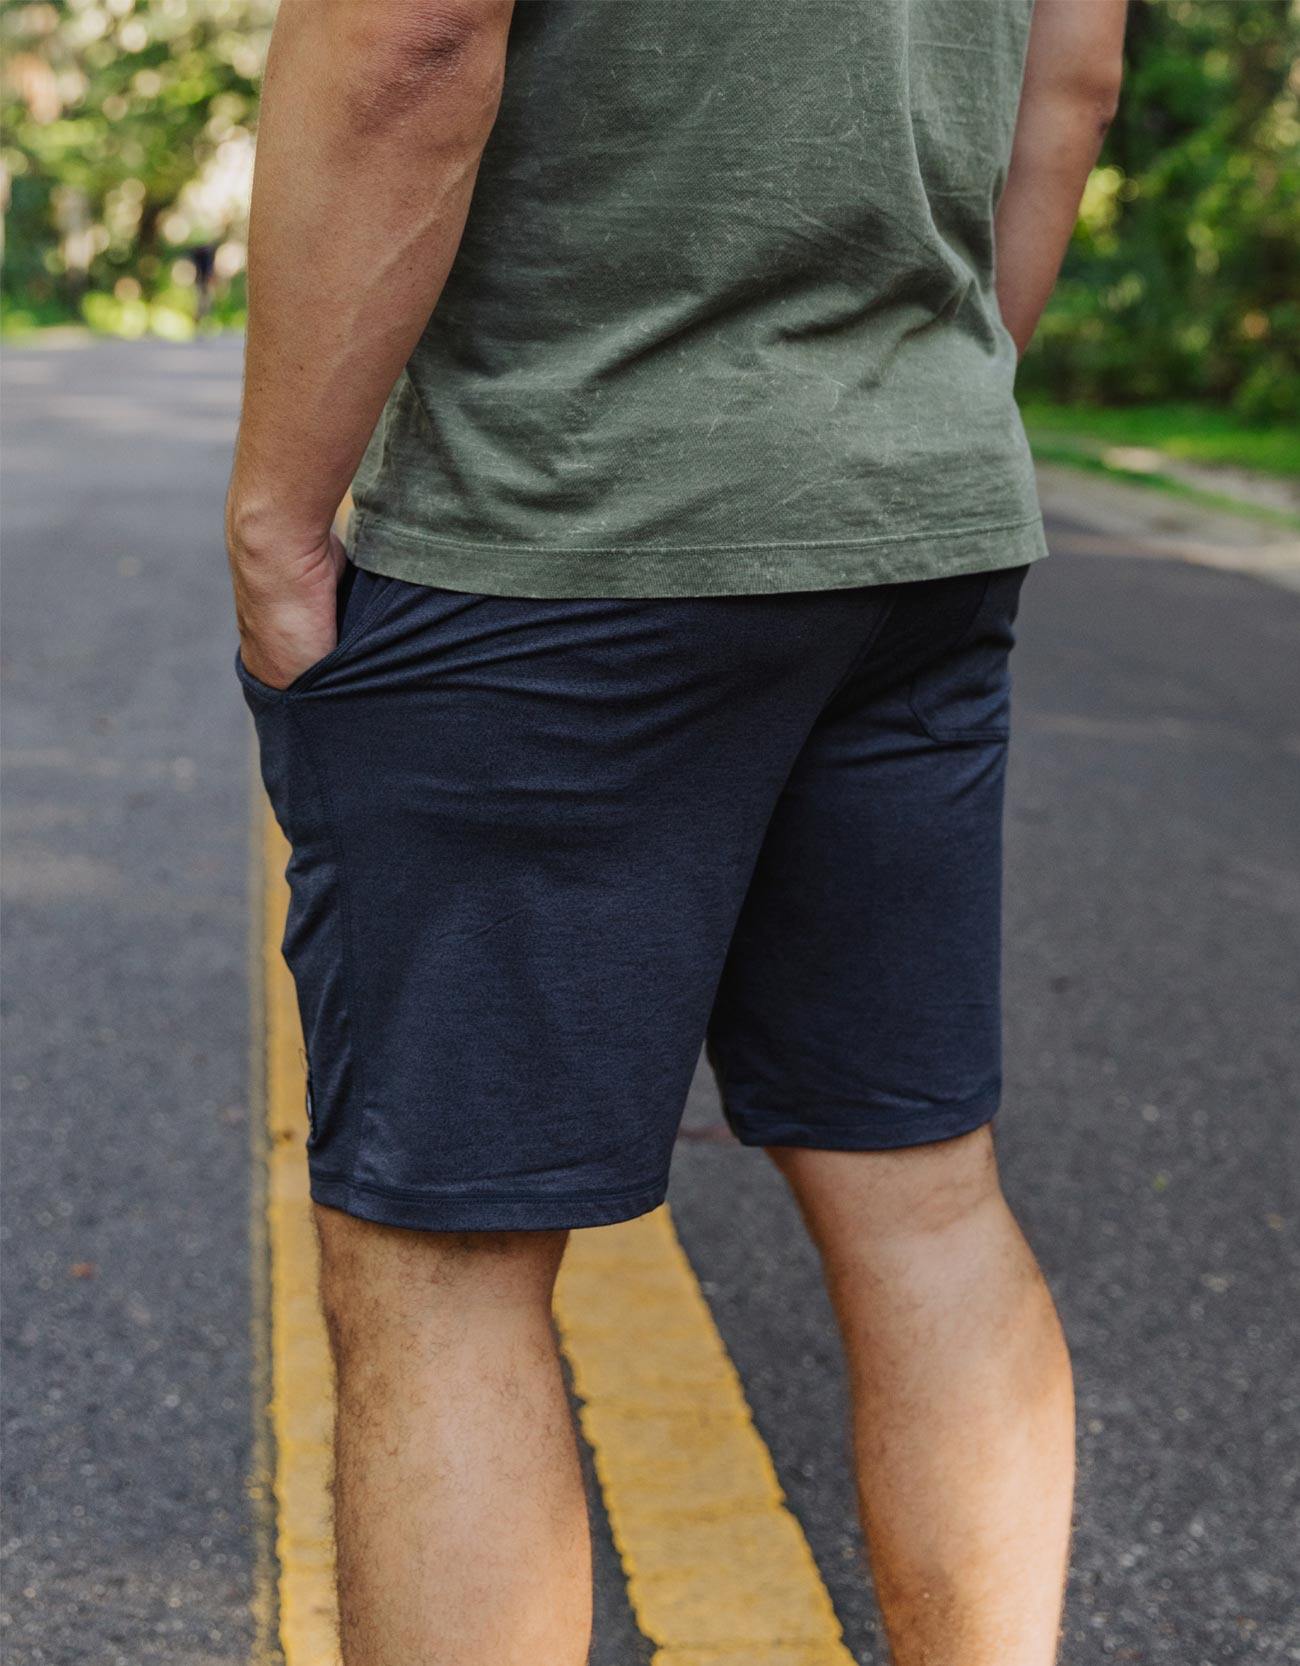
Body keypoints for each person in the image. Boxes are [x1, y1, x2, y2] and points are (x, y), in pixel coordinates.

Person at [224, 2, 1127, 1661]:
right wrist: (908, 416)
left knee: (447, 1260)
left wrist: (281, 515)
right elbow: (1075, 70)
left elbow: (411, 35)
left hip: (561, 518)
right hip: (912, 526)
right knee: (923, 1198)